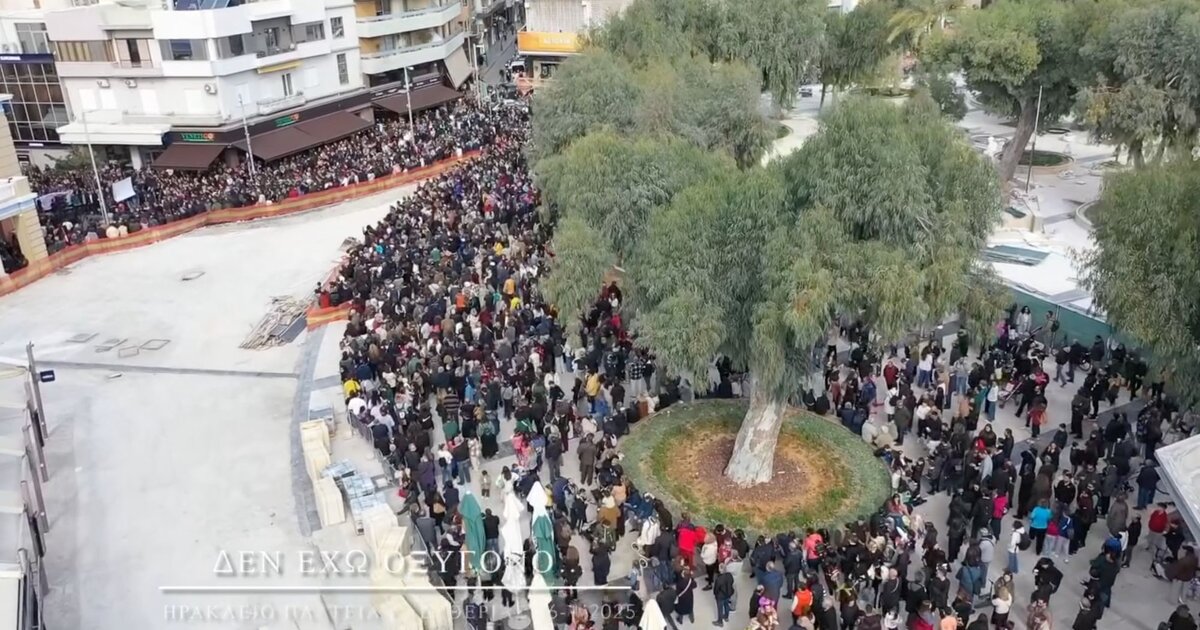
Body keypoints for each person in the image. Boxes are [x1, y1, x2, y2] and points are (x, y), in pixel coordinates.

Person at [712, 562, 735, 627]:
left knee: (720, 609)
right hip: (728, 594)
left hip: (720, 596)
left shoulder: (719, 579)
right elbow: (732, 582)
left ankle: (720, 622)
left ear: (720, 570)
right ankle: (726, 617)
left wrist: (715, 594)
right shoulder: (729, 575)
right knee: (726, 605)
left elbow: (716, 589)